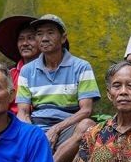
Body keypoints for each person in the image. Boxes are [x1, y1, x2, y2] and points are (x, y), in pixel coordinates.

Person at [16, 14, 100, 154]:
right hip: (37, 127)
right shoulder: (27, 70)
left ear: (63, 38)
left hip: (68, 127)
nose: (44, 38)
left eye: (50, 32)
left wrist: (56, 129)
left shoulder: (81, 67)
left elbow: (86, 110)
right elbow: (23, 111)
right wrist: (32, 134)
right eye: (39, 34)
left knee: (87, 125)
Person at [0, 15, 38, 112]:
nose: (25, 43)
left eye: (30, 38)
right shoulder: (9, 75)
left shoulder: (51, 72)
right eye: (21, 39)